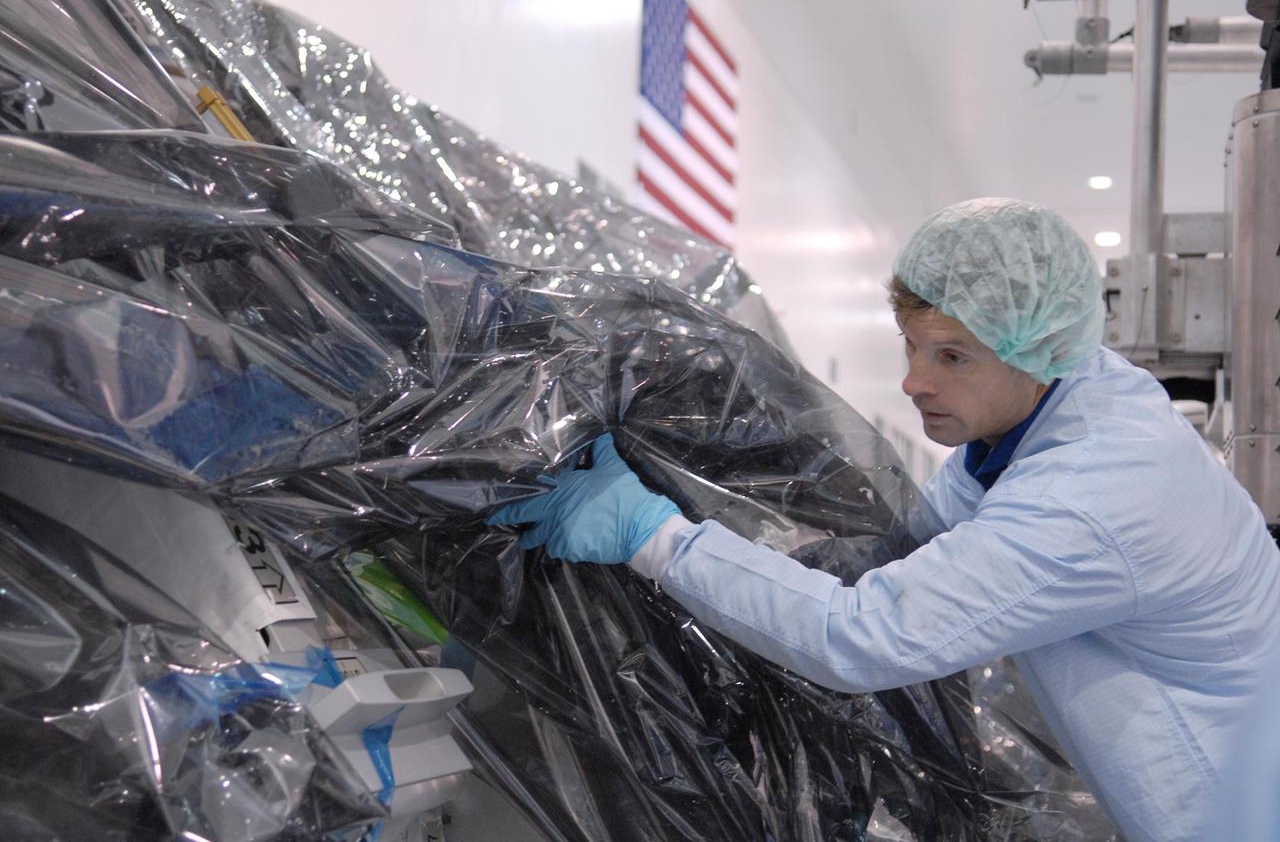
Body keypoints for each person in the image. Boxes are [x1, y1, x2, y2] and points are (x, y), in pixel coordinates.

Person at [487, 197, 1280, 842]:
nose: (913, 382)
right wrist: (765, 546)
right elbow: (906, 549)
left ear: (1035, 347)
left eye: (952, 356)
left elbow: (861, 637)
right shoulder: (1052, 410)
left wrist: (654, 535)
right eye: (911, 346)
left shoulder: (1090, 496)